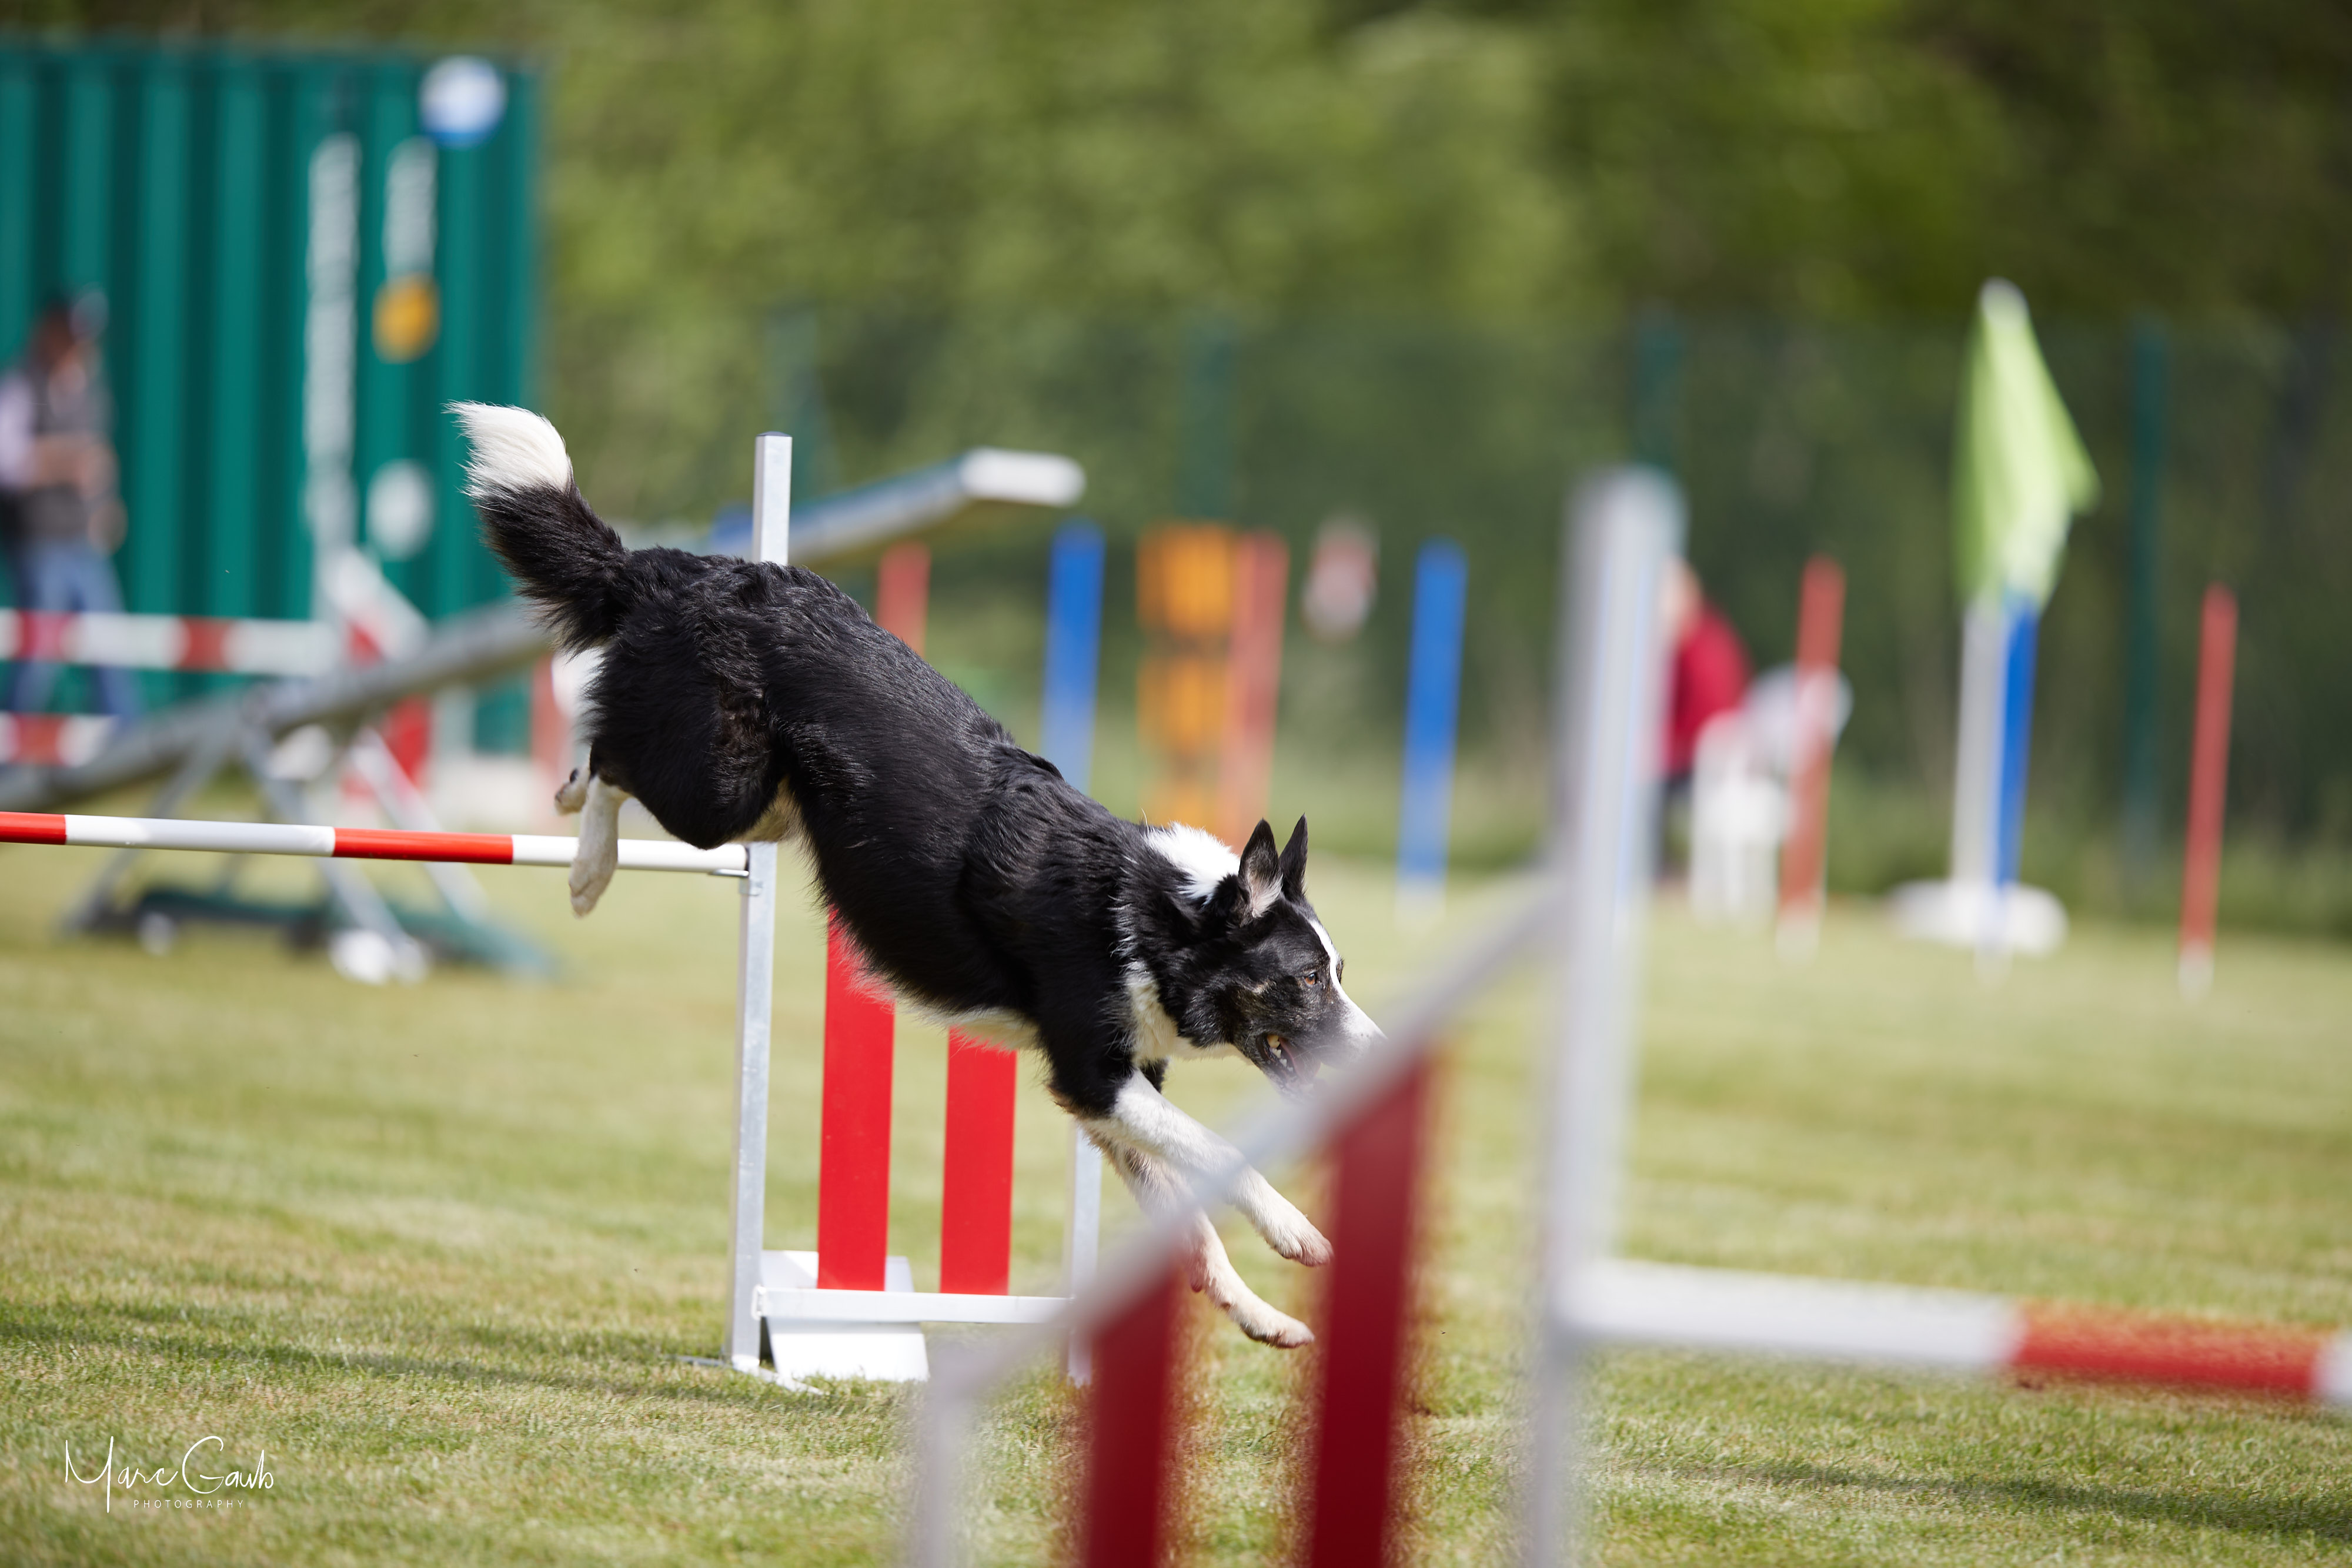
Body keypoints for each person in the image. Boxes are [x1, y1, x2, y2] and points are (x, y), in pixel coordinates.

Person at [0, 289, 140, 719]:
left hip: (82, 541)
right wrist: (65, 461)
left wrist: (104, 505)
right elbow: (8, 461)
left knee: (110, 648)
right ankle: (12, 742)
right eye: (72, 337)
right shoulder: (23, 383)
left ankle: (132, 743)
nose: (79, 349)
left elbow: (97, 460)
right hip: (39, 542)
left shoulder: (89, 389)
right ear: (50, 331)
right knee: (39, 656)